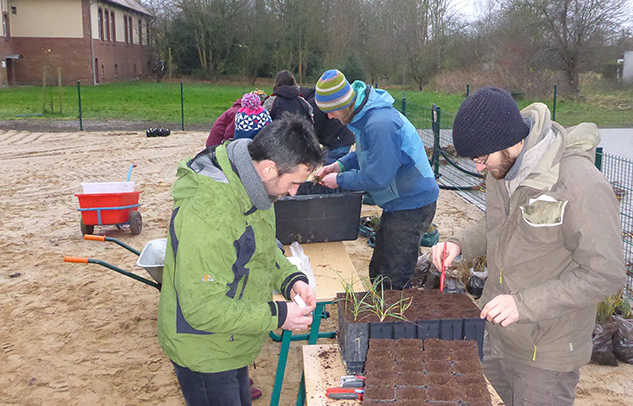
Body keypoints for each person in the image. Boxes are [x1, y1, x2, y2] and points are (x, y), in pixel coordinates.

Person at [430, 87, 626, 406]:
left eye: (481, 159)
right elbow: (497, 225)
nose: (478, 168)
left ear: (508, 141)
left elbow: (607, 273)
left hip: (545, 351)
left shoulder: (578, 184)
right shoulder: (503, 169)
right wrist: (459, 244)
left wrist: (523, 304)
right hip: (497, 335)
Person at [158, 116, 324, 406]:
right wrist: (279, 315)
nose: (294, 192)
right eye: (294, 183)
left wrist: (291, 279)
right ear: (268, 168)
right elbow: (202, 308)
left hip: (232, 338)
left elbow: (261, 248)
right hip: (203, 348)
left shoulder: (254, 187)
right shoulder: (209, 214)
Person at [315, 69, 439, 290]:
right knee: (379, 269)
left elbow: (378, 177)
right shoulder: (364, 117)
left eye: (331, 111)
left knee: (395, 276)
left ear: (343, 104)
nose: (330, 117)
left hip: (413, 203)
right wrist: (339, 165)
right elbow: (366, 153)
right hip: (397, 201)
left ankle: (398, 309)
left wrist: (340, 180)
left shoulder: (380, 123)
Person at [300, 86, 355, 165]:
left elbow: (316, 127)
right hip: (341, 138)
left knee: (328, 169)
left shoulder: (315, 104)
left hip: (336, 142)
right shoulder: (320, 98)